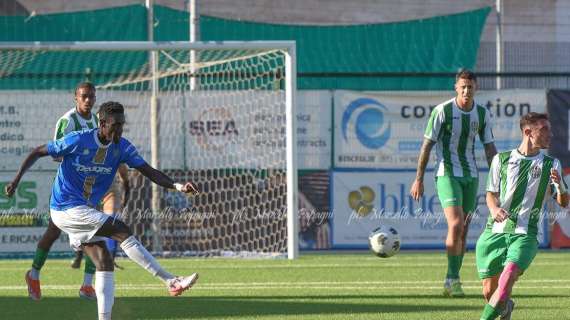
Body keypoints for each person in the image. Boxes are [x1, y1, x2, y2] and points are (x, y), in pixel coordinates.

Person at [6, 101, 199, 320]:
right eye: (115, 125)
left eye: (122, 125)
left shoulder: (122, 147)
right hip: (64, 208)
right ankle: (171, 281)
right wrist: (16, 180)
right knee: (121, 229)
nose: (119, 129)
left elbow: (148, 170)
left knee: (104, 260)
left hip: (82, 210)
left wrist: (178, 186)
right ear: (102, 123)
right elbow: (38, 151)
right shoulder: (79, 139)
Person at [410, 69, 498, 297]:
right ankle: (452, 278)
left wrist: (498, 178)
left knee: (465, 229)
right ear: (456, 88)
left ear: (476, 88)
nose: (467, 90)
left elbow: (489, 148)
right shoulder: (442, 111)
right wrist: (418, 179)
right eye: (463, 87)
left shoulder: (482, 114)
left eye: (470, 86)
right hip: (447, 173)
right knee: (456, 224)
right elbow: (427, 146)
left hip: (471, 175)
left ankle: (453, 280)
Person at [476, 112, 568, 320]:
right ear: (528, 132)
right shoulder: (502, 159)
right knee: (490, 292)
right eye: (544, 130)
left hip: (526, 234)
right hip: (495, 231)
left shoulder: (551, 165)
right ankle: (505, 306)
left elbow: (564, 202)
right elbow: (490, 194)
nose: (550, 134)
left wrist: (560, 185)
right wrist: (493, 209)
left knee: (507, 278)